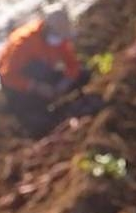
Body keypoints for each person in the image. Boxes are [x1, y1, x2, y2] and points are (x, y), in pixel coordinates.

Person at [0, 8, 90, 137]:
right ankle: (24, 109)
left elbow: (72, 65)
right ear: (47, 28)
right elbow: (7, 76)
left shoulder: (59, 38)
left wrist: (63, 84)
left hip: (44, 74)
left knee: (83, 75)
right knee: (40, 125)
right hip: (19, 86)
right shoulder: (23, 42)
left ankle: (48, 102)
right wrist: (36, 87)